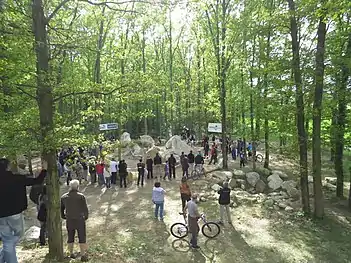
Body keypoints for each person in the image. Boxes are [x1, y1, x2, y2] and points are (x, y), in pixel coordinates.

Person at [0, 158, 46, 263]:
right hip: (15, 213)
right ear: (7, 167)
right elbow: (37, 181)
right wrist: (44, 170)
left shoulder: (16, 178)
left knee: (7, 239)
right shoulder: (16, 178)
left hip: (1, 216)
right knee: (17, 236)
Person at [61, 180, 89, 262]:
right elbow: (85, 208)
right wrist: (86, 217)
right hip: (80, 219)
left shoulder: (64, 197)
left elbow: (61, 209)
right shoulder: (81, 196)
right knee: (82, 237)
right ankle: (83, 255)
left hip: (69, 219)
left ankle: (71, 253)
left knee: (70, 236)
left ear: (70, 187)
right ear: (77, 187)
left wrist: (63, 216)